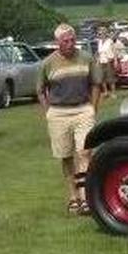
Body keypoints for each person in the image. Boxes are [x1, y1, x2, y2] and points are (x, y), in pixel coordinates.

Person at [37, 23, 101, 216]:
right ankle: (73, 197)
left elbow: (96, 84)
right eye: (66, 41)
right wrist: (48, 110)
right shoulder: (47, 63)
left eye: (73, 39)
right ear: (58, 42)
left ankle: (86, 196)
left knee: (85, 152)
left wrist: (93, 108)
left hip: (83, 110)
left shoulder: (86, 58)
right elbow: (40, 90)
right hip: (58, 112)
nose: (71, 43)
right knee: (66, 156)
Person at [96, 27, 116, 98]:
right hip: (101, 61)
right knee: (102, 78)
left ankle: (113, 93)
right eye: (99, 34)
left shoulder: (110, 41)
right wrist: (97, 61)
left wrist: (114, 60)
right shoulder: (99, 42)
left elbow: (114, 51)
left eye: (102, 33)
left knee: (110, 78)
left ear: (105, 34)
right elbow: (99, 53)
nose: (101, 35)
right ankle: (105, 92)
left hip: (109, 60)